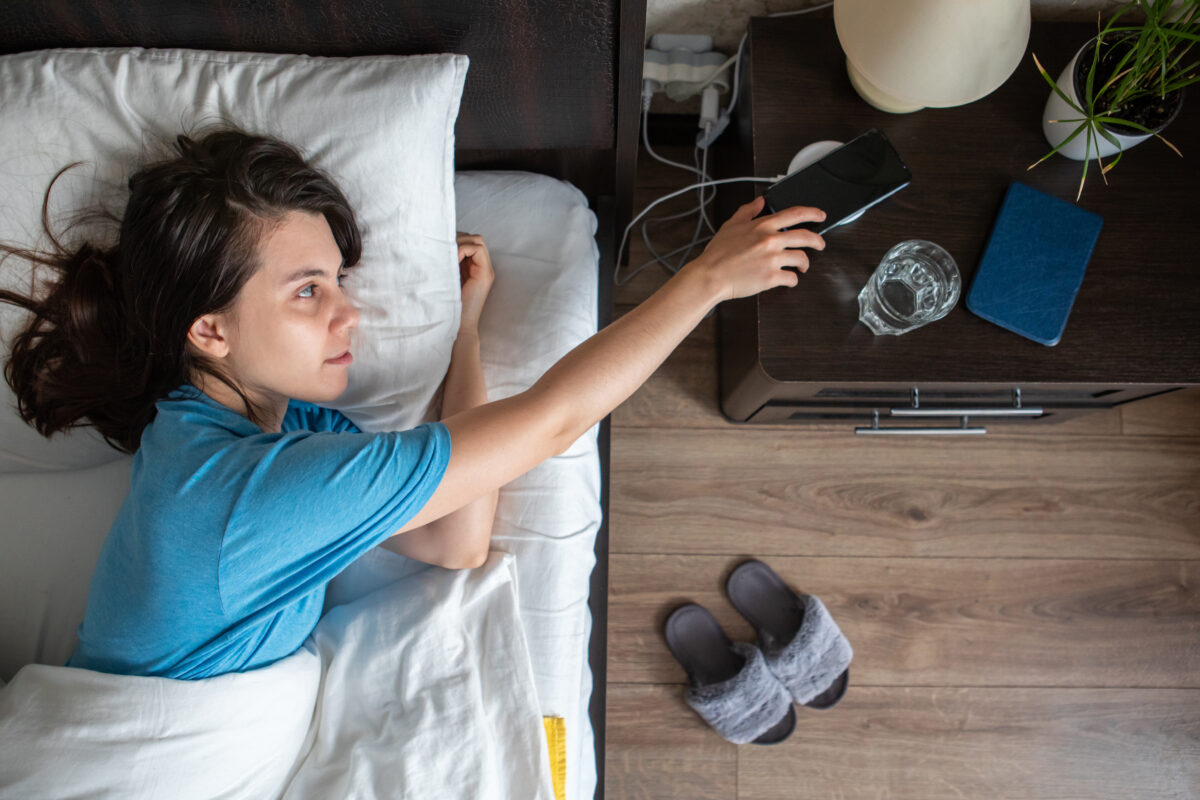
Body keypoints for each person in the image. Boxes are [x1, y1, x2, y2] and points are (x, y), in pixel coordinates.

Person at [0, 128, 825, 680]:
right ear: (210, 330)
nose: (348, 313)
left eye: (339, 281)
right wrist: (707, 281)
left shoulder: (275, 425)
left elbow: (455, 536)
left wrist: (463, 333)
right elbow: (553, 422)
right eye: (308, 291)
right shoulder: (254, 489)